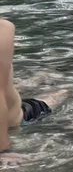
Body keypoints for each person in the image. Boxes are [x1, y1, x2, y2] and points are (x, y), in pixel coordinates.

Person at [2, 18, 58, 155]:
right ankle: (46, 74)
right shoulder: (3, 28)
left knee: (60, 95)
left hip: (22, 115)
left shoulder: (2, 29)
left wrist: (4, 151)